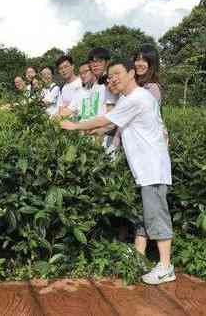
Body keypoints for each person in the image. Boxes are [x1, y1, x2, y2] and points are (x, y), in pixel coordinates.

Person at [61, 59, 175, 285]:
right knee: (144, 216)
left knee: (156, 216)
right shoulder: (132, 99)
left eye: (117, 73)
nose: (112, 78)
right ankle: (139, 258)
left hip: (151, 168)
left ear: (131, 73)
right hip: (145, 168)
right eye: (110, 75)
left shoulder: (137, 97)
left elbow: (106, 119)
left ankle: (165, 266)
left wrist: (74, 126)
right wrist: (91, 131)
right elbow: (112, 124)